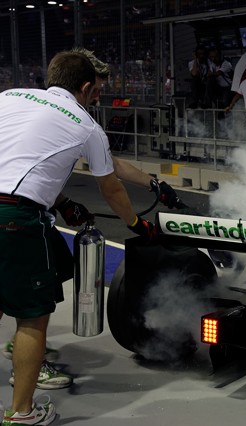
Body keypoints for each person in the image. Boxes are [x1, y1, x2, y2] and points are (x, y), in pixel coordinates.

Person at [1, 46, 182, 394]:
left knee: (38, 270)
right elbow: (111, 186)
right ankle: (23, 404)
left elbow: (20, 160)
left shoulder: (12, 96)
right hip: (16, 217)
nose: (99, 98)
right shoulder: (84, 123)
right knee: (34, 314)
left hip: (14, 205)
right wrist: (136, 224)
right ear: (84, 86)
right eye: (97, 90)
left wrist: (66, 202)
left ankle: (22, 352)